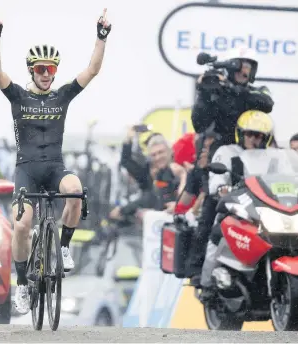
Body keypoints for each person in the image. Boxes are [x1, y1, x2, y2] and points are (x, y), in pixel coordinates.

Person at [0, 7, 112, 314]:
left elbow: (92, 70)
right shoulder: (18, 96)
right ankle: (21, 285)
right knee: (21, 226)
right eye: (41, 68)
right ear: (32, 70)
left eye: (51, 70)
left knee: (75, 191)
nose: (46, 74)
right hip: (27, 171)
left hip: (55, 166)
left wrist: (101, 37)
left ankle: (65, 246)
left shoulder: (62, 96)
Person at [187, 47, 274, 282]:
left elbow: (267, 103)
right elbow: (199, 123)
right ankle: (198, 270)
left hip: (255, 154)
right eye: (241, 66)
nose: (245, 71)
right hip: (222, 153)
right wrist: (204, 93)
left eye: (249, 67)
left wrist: (234, 91)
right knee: (213, 205)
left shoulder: (255, 92)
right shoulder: (215, 92)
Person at [199, 110, 274, 290]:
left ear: (266, 138)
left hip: (267, 211)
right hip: (237, 209)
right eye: (249, 134)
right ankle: (207, 285)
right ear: (240, 134)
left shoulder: (273, 157)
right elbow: (216, 180)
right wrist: (221, 188)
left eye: (258, 135)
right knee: (218, 235)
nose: (253, 139)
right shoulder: (227, 152)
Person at [108, 128, 186, 222]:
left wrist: (183, 175)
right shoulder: (149, 173)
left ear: (169, 151)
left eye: (160, 152)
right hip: (156, 220)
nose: (157, 157)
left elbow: (188, 196)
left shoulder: (177, 168)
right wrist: (128, 139)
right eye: (153, 154)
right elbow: (126, 161)